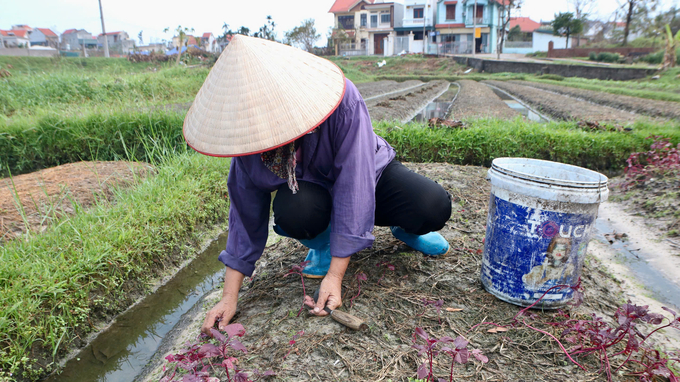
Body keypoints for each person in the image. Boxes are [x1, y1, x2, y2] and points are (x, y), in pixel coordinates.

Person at [183, 35, 452, 335]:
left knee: (432, 205)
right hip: (313, 197)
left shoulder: (341, 100)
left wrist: (335, 277)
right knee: (295, 210)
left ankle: (406, 229)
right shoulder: (250, 144)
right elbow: (244, 217)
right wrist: (228, 298)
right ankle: (322, 243)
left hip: (369, 175)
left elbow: (355, 184)